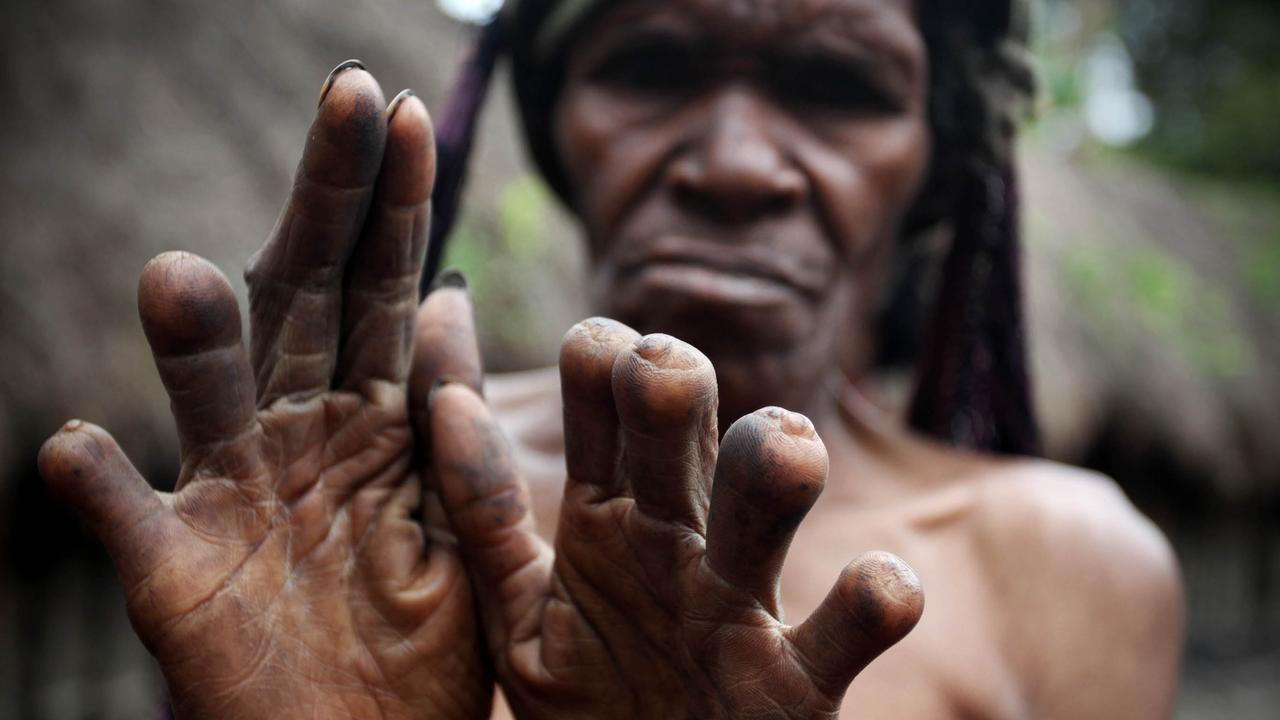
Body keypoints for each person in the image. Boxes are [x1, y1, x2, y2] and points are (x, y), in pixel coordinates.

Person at [36, 0, 1184, 718]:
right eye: (652, 67)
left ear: (934, 168)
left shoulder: (1066, 567)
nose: (735, 164)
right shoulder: (336, 527)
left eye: (838, 88)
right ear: (556, 125)